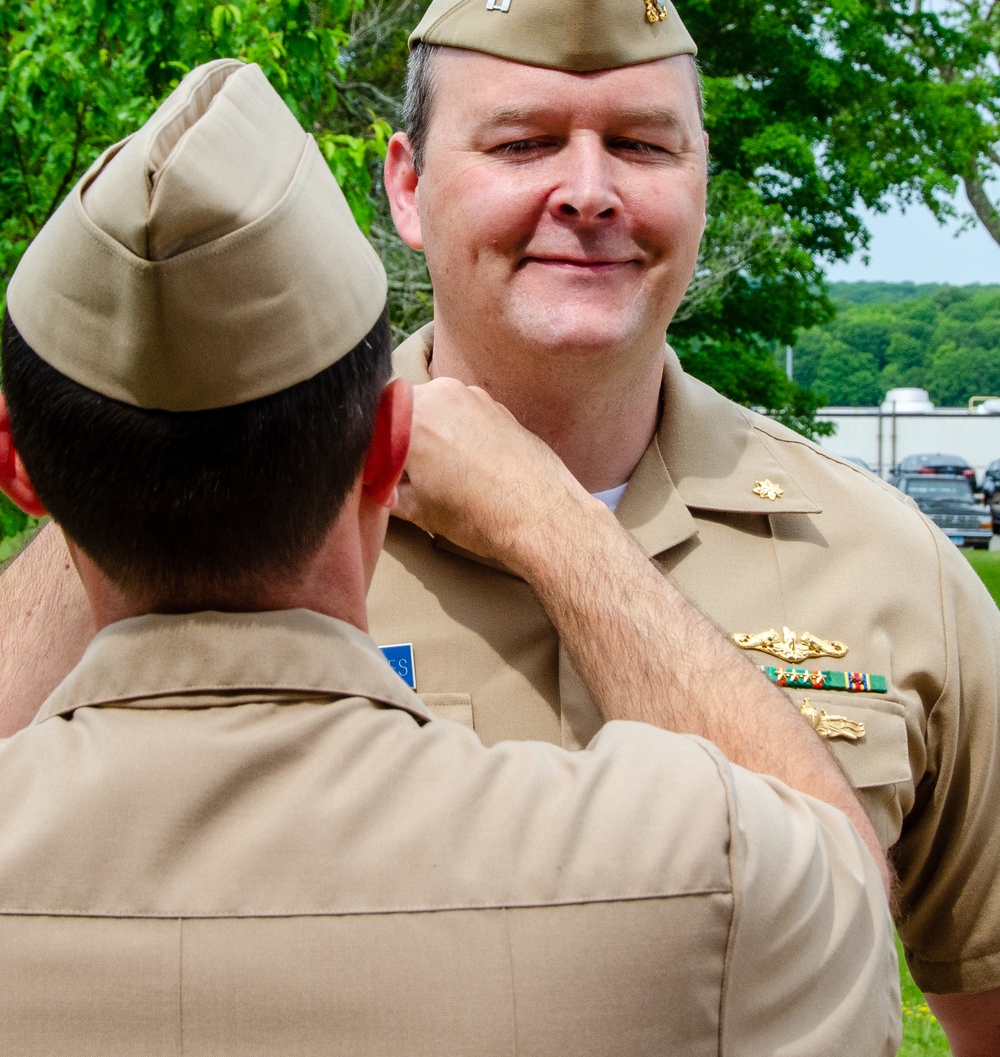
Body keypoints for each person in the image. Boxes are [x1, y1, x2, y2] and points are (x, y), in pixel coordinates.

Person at [0, 58, 897, 1055]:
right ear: (392, 440)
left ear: (18, 468)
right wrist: (555, 524)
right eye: (522, 143)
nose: (587, 190)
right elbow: (839, 885)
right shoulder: (692, 864)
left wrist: (118, 431)